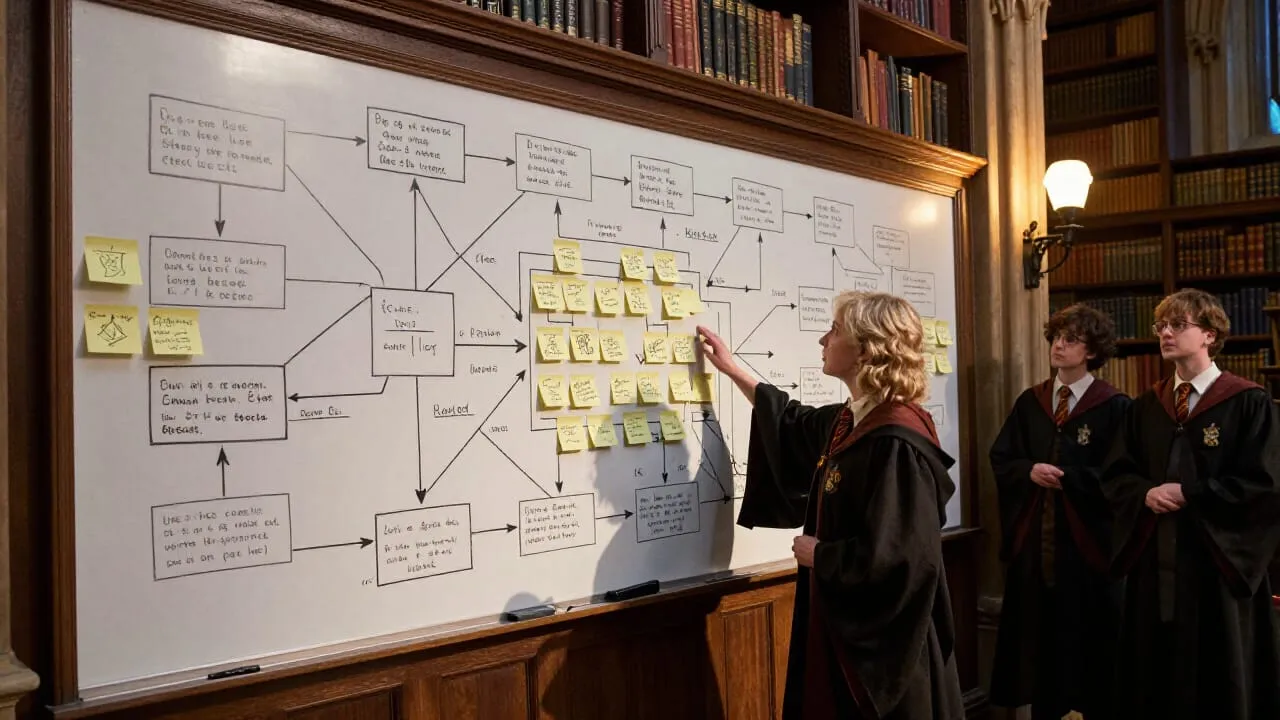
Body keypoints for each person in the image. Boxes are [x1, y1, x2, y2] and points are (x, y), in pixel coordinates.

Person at [696, 290, 964, 720]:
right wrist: (732, 369)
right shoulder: (851, 420)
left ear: (866, 349)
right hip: (844, 628)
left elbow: (904, 557)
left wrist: (821, 554)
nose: (823, 340)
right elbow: (792, 421)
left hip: (886, 651)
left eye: (835, 331)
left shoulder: (895, 440)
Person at [1100, 288, 1280, 720]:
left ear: (1210, 335)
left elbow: (1264, 485)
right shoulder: (1147, 405)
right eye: (1161, 325)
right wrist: (1144, 493)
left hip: (1217, 566)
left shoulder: (1247, 402)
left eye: (1178, 325)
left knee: (1218, 677)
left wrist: (1191, 494)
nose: (1165, 333)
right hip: (1155, 566)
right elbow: (1116, 475)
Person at [988, 303, 1129, 720]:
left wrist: (1071, 478)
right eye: (1056, 338)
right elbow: (1003, 457)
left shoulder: (1113, 406)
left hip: (1088, 550)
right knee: (1041, 647)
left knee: (1091, 646)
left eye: (1071, 340)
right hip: (1037, 547)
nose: (1059, 346)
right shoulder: (1031, 403)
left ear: (1092, 351)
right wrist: (1028, 470)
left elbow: (1122, 475)